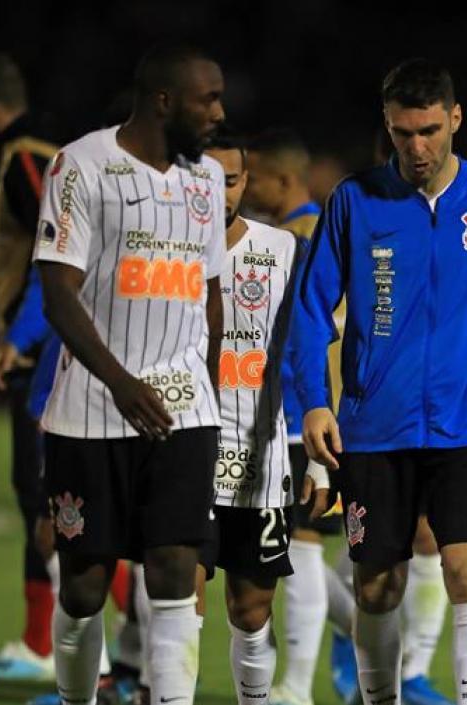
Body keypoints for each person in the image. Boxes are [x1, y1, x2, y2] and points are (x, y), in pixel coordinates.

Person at [291, 58, 467, 705]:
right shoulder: (354, 201)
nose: (418, 146)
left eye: (430, 130)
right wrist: (313, 404)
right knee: (377, 586)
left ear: (454, 119)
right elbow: (308, 308)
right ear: (387, 125)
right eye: (404, 133)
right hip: (375, 428)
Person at [33, 44, 227, 705]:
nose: (220, 114)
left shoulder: (205, 182)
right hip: (91, 408)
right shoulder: (80, 166)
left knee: (175, 568)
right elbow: (58, 293)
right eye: (210, 99)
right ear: (164, 101)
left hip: (183, 412)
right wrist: (119, 381)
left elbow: (212, 292)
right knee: (85, 582)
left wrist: (209, 393)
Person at [192, 129, 331, 705]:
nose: (218, 192)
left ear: (244, 183)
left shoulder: (281, 250)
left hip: (261, 454)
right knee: (177, 593)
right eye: (206, 180)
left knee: (251, 608)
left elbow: (306, 349)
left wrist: (318, 457)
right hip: (183, 448)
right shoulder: (159, 249)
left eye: (229, 180)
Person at [0, 52, 63, 682]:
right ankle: (46, 642)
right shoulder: (40, 151)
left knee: (49, 498)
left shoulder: (25, 158)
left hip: (43, 353)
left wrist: (26, 335)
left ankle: (55, 646)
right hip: (48, 346)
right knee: (46, 496)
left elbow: (58, 246)